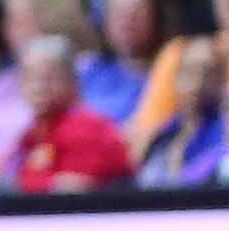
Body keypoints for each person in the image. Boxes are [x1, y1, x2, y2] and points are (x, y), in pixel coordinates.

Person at [7, 34, 134, 190]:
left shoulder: (87, 128)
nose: (38, 87)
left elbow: (74, 189)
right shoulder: (36, 131)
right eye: (30, 78)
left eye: (48, 78)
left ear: (71, 81)